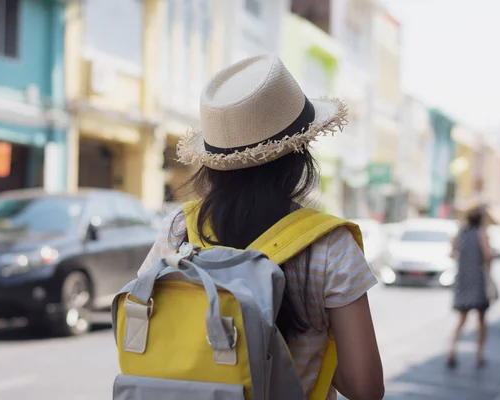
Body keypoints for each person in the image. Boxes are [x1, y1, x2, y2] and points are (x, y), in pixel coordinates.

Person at [138, 55, 385, 400]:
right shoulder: (330, 246)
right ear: (299, 154)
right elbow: (366, 389)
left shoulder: (179, 230)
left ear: (214, 164)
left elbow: (143, 334)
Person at [447, 206, 494, 368]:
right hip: (478, 279)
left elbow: (452, 253)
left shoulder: (460, 234)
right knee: (481, 319)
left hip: (463, 279)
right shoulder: (481, 234)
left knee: (461, 319)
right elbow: (488, 255)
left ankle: (452, 350)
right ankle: (479, 354)